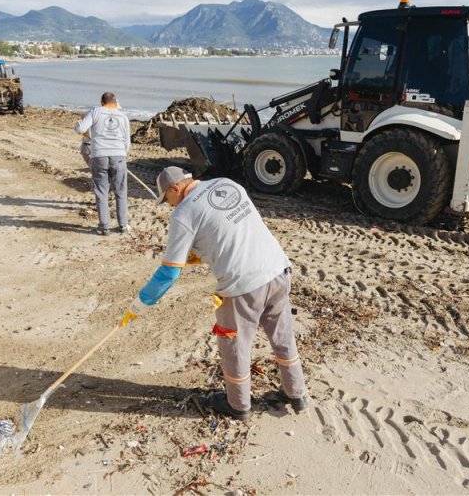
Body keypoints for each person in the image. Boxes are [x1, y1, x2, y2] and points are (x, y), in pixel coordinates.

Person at [122, 166, 308, 421]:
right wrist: (202, 253)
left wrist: (140, 303)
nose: (169, 205)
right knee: (282, 335)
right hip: (278, 270)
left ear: (175, 188)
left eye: (168, 199)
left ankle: (238, 405)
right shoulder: (226, 182)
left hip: (244, 286)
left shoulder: (183, 214)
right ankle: (296, 393)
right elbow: (229, 229)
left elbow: (169, 273)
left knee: (234, 346)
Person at [74, 92, 131, 235]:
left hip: (99, 155)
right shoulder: (123, 116)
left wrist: (78, 126)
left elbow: (81, 129)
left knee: (101, 192)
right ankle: (123, 225)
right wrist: (121, 154)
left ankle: (104, 227)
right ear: (115, 102)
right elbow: (127, 142)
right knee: (121, 191)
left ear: (101, 102)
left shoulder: (95, 112)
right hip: (118, 155)